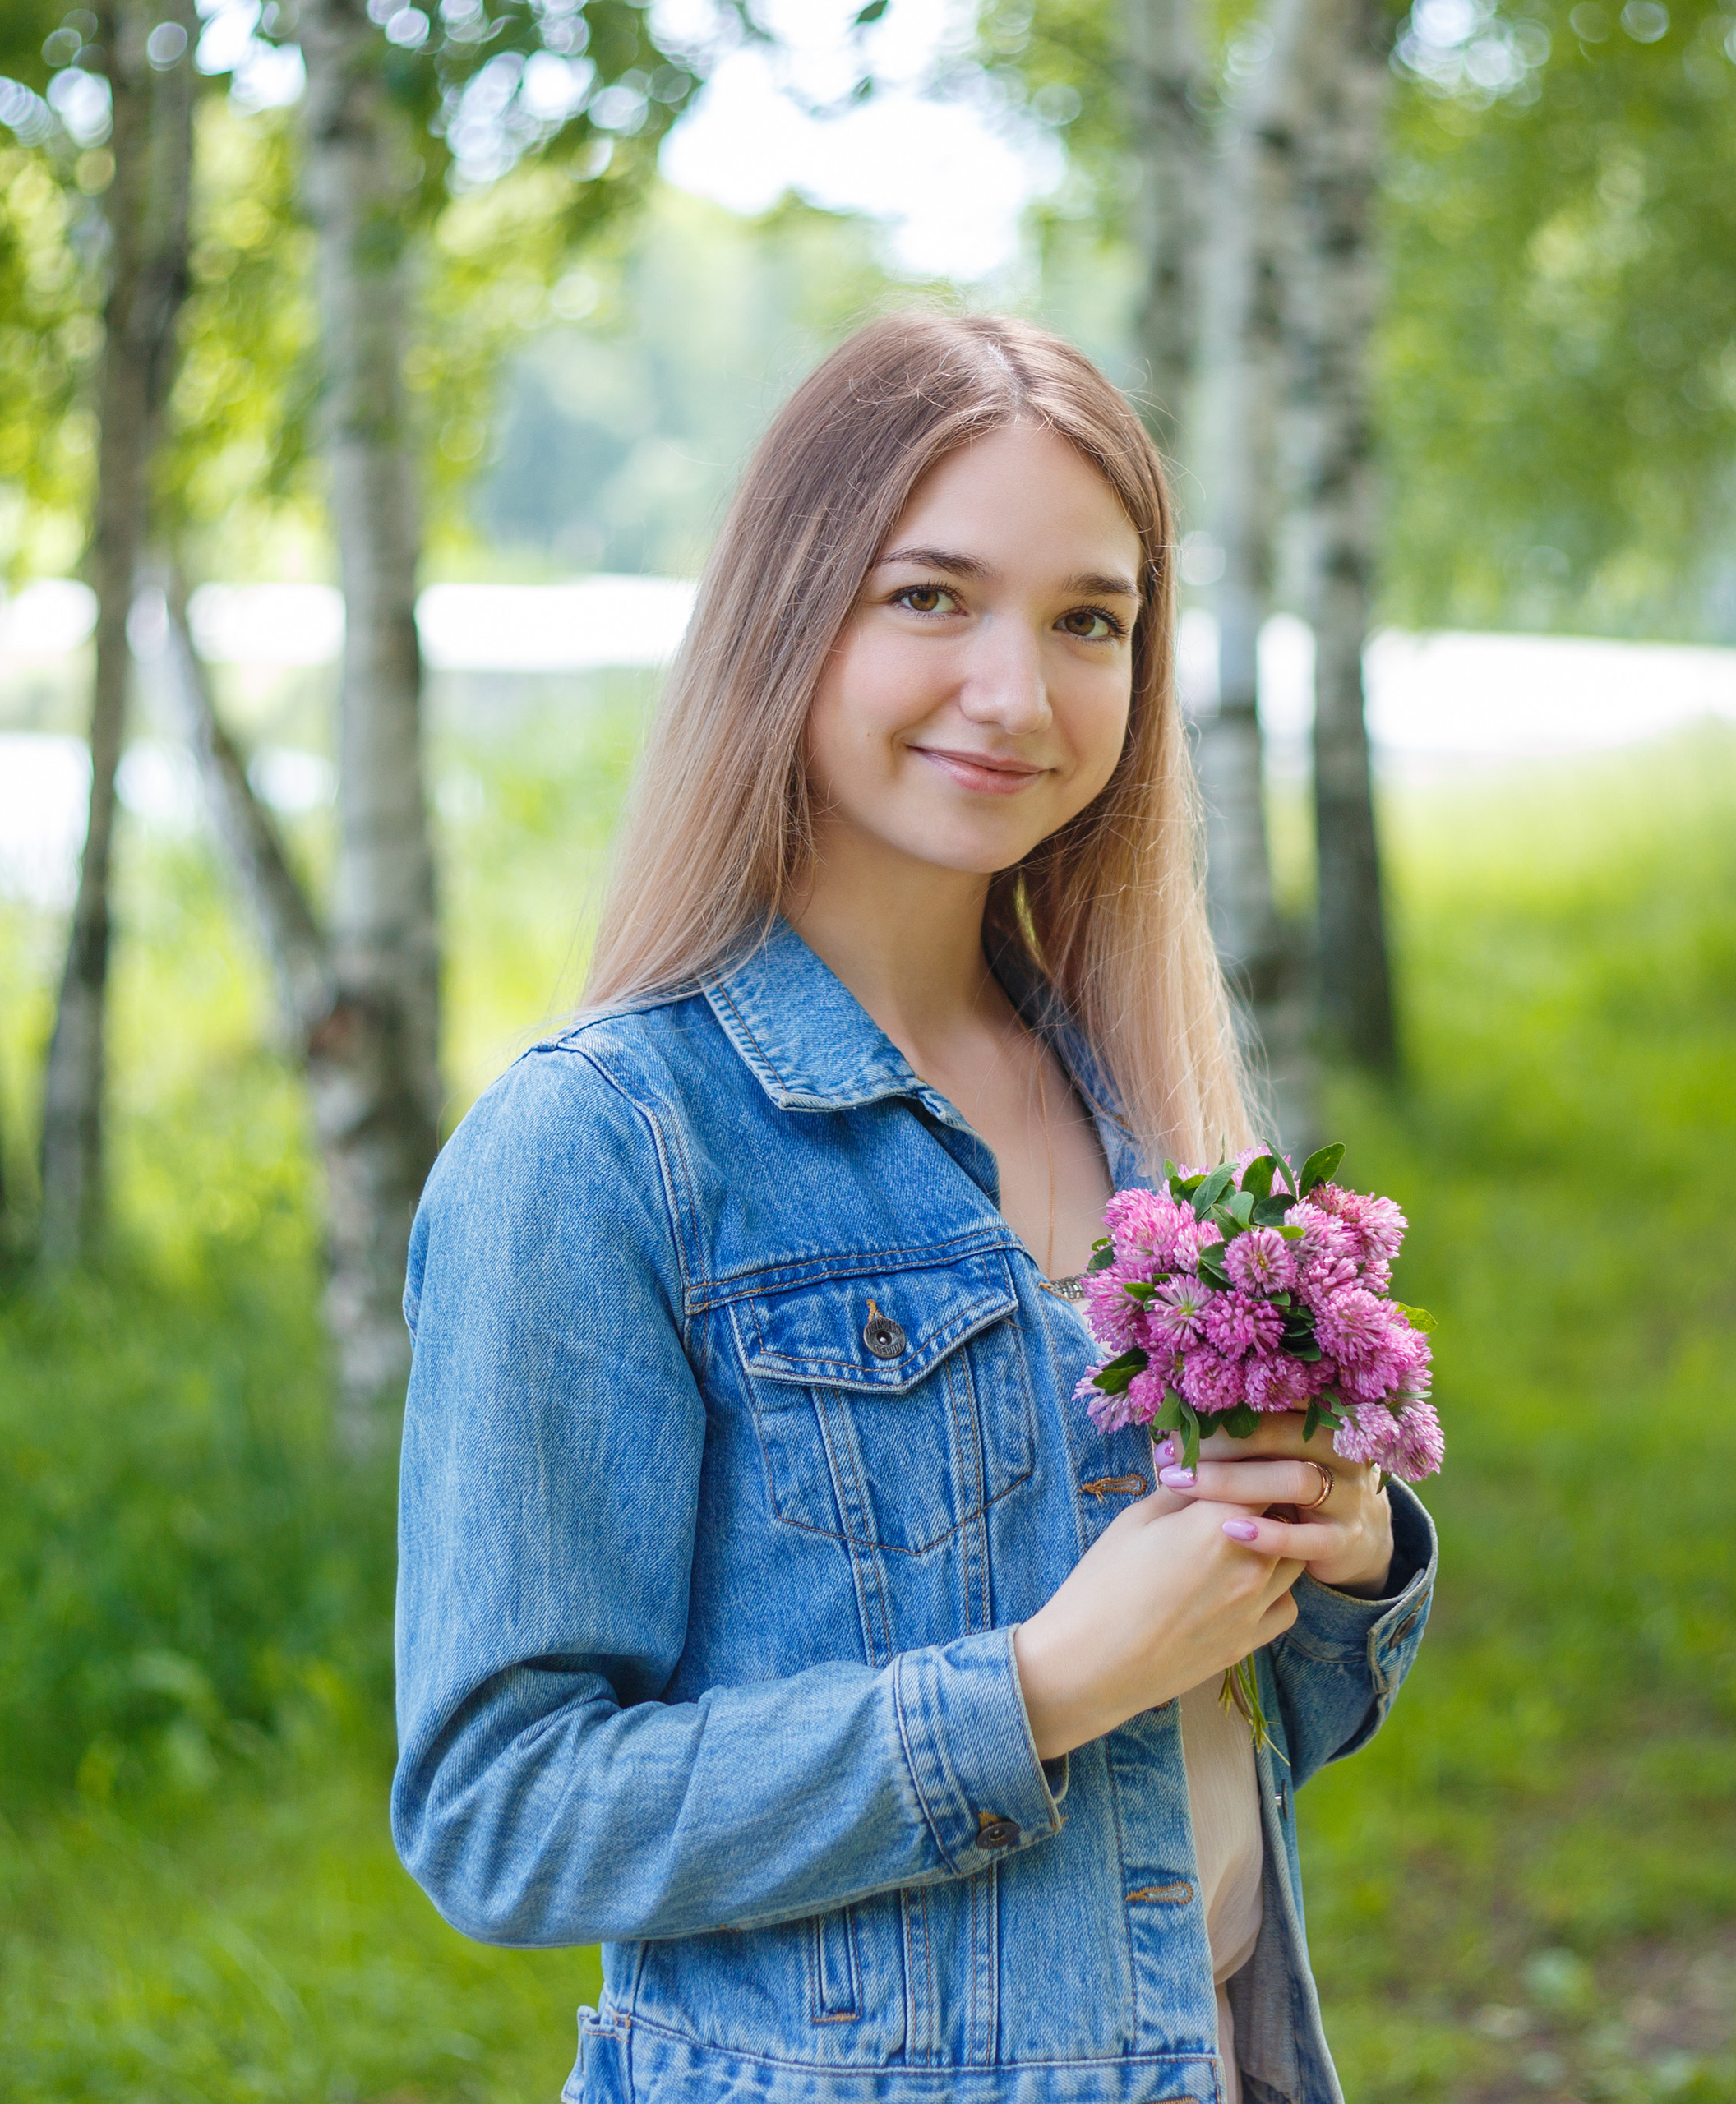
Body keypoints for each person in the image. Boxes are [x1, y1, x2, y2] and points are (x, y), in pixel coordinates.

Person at [392, 310, 1437, 2104]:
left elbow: (1215, 1733)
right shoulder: (605, 1145)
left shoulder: (1137, 1101)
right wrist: (1031, 1686)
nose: (1016, 694)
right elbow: (506, 1812)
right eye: (930, 597)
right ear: (789, 613)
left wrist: (1342, 1555)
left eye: (1086, 620)